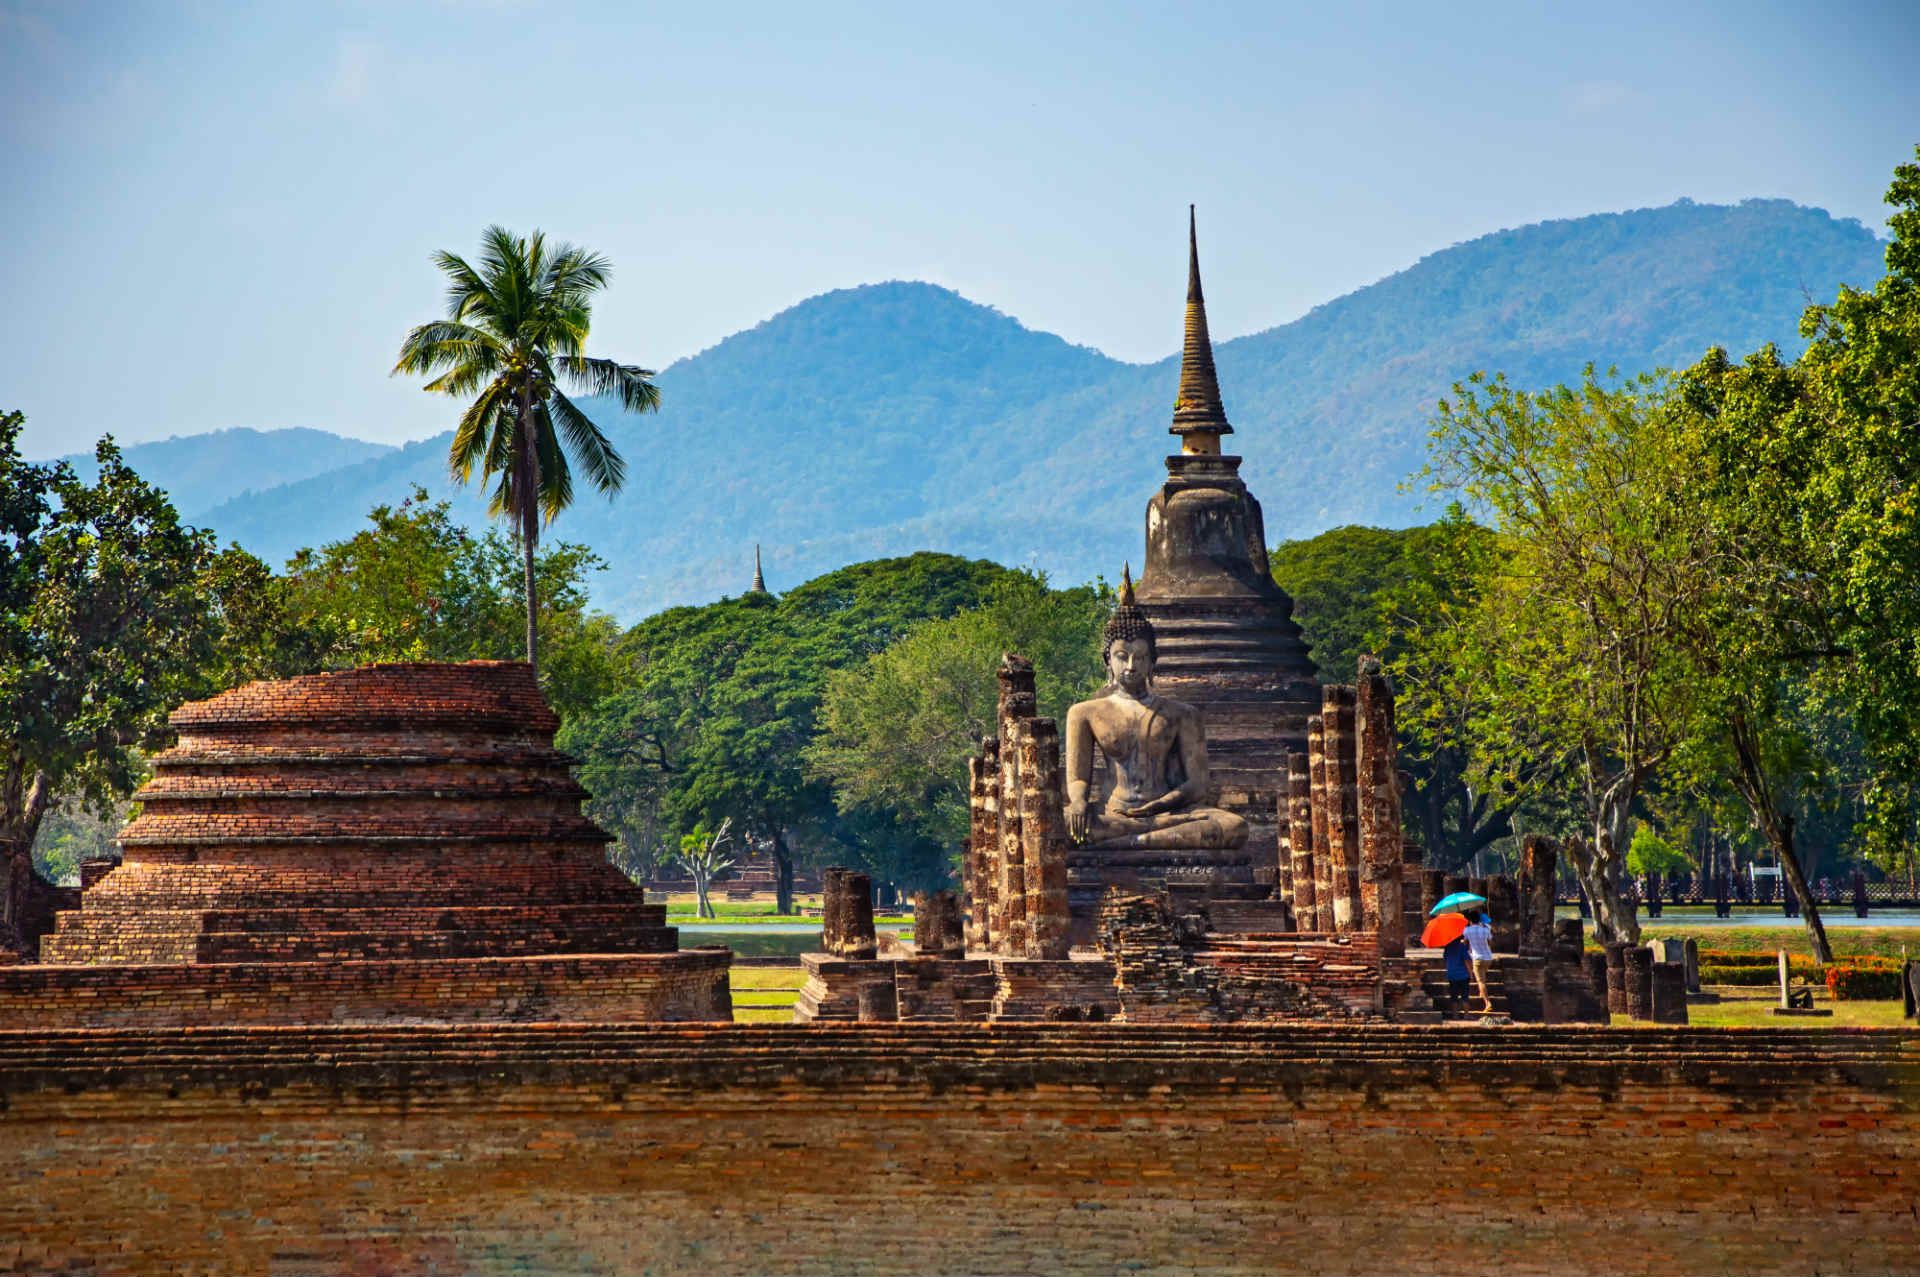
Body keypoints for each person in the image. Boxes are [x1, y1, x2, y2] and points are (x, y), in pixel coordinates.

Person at [1464, 910, 1496, 1014]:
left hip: (1477, 958)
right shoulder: (1485, 930)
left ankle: (1488, 1003)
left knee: (1481, 981)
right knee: (1482, 977)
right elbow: (1490, 941)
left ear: (1470, 920)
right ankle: (1482, 992)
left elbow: (1465, 942)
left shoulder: (1467, 930)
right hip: (1488, 957)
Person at [1442, 929, 1471, 1014]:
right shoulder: (1462, 947)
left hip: (1452, 975)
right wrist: (1470, 973)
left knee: (1454, 996)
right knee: (1465, 996)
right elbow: (1467, 961)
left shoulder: (1447, 947)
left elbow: (1445, 959)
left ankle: (1455, 1015)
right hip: (1463, 975)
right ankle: (1466, 1015)